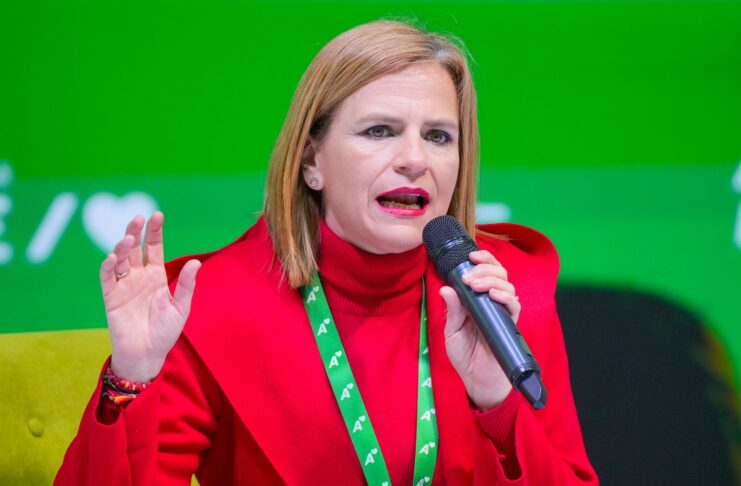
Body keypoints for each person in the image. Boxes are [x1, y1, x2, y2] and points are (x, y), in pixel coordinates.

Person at [56, 20, 598, 485]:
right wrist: (132, 378)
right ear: (311, 161)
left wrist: (499, 404)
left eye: (438, 136)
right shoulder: (216, 303)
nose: (415, 159)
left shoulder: (501, 292)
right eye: (380, 131)